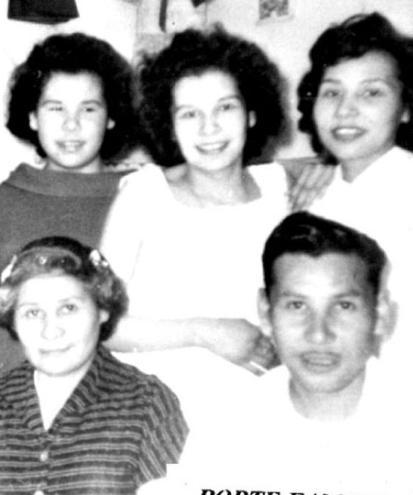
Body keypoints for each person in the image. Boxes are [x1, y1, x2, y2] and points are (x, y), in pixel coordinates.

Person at [141, 212, 413, 495]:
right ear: (265, 313)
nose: (319, 333)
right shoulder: (229, 429)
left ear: (380, 314)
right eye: (297, 306)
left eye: (344, 306)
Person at [99, 26, 292, 427]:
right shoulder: (143, 196)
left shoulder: (281, 193)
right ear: (169, 124)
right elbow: (101, 322)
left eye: (225, 108)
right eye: (189, 113)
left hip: (259, 416)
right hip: (153, 418)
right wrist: (206, 332)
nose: (209, 128)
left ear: (252, 112)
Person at [0, 237, 187, 494]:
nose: (50, 331)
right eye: (32, 312)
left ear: (102, 309)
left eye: (68, 308)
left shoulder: (148, 404)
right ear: (12, 320)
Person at [296, 12, 413, 393]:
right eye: (332, 92)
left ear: (405, 108)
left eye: (371, 92)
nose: (345, 110)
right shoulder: (311, 201)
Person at [0, 32, 138, 376]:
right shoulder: (3, 201)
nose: (71, 125)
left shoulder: (139, 196)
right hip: (5, 394)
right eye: (55, 108)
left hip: (108, 400)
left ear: (111, 116)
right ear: (31, 117)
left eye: (88, 108)